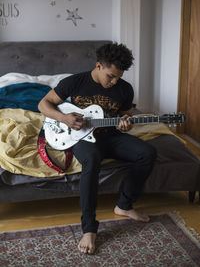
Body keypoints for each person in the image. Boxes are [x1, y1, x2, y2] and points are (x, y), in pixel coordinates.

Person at [38, 42, 157, 255]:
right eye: (110, 76)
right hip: (82, 137)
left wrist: (125, 120)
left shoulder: (124, 89)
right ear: (99, 65)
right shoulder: (74, 82)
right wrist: (63, 117)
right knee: (92, 160)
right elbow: (43, 104)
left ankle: (124, 205)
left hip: (110, 136)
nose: (114, 81)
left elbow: (126, 113)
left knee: (147, 153)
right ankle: (89, 228)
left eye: (118, 77)